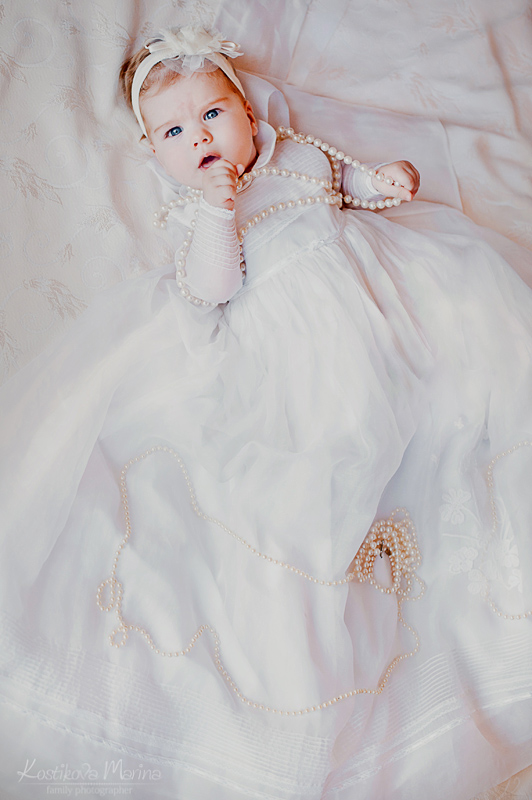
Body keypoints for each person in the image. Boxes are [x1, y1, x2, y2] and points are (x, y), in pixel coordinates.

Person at [1, 24, 531, 800]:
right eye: (174, 133)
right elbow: (210, 289)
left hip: (381, 299)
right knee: (334, 445)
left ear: (249, 115)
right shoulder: (196, 214)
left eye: (212, 114)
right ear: (154, 155)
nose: (199, 137)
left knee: (460, 371)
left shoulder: (297, 156)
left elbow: (345, 187)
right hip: (299, 348)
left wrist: (385, 184)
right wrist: (218, 213)